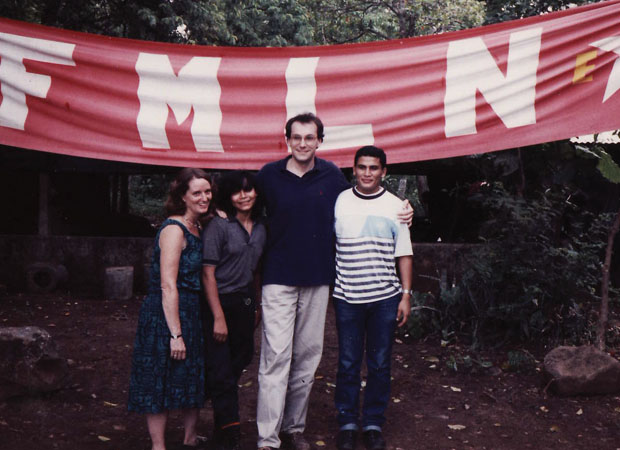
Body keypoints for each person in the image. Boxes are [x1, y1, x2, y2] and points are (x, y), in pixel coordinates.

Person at [255, 113, 412, 450]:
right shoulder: (269, 175)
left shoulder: (330, 176)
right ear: (287, 140)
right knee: (276, 358)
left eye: (309, 138)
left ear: (319, 141)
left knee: (308, 358)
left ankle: (294, 429)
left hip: (318, 281)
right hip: (278, 279)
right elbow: (246, 207)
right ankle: (268, 440)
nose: (302, 144)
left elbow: (363, 198)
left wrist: (405, 209)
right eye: (296, 137)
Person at [332, 146, 413, 450]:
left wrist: (405, 295)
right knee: (348, 362)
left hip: (385, 299)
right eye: (362, 167)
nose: (367, 173)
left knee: (379, 363)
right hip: (347, 297)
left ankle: (373, 423)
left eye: (374, 168)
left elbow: (404, 254)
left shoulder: (396, 206)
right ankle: (348, 423)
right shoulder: (339, 201)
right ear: (353, 169)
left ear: (384, 172)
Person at [128, 168, 213, 450]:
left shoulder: (198, 225)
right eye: (197, 193)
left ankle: (189, 438)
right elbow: (167, 284)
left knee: (191, 374)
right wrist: (175, 333)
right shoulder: (174, 230)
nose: (204, 197)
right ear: (182, 197)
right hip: (165, 312)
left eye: (207, 192)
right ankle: (158, 445)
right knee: (158, 377)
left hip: (191, 310)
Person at [201, 171, 266, 450]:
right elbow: (207, 273)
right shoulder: (219, 226)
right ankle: (230, 433)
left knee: (243, 356)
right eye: (237, 192)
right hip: (219, 302)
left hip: (245, 301)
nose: (244, 196)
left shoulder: (263, 226)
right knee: (221, 369)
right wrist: (217, 317)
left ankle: (220, 425)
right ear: (228, 196)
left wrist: (256, 306)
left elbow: (256, 272)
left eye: (249, 190)